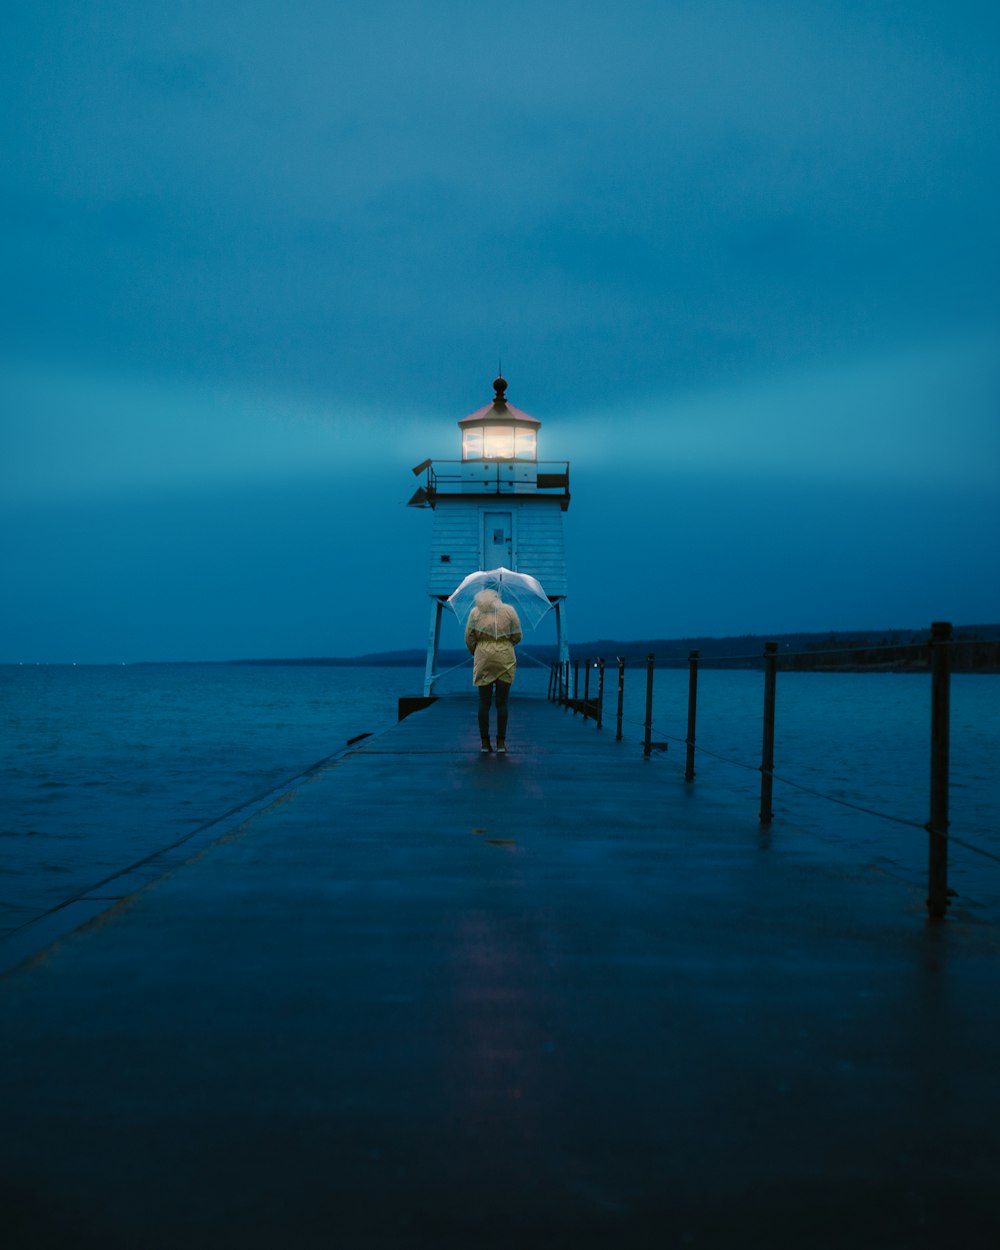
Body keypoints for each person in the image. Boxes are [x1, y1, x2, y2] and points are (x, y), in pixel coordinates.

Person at [464, 587, 522, 754]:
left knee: (484, 702)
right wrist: (505, 643)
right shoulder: (509, 610)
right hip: (505, 658)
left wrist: (477, 651)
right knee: (502, 703)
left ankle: (484, 743)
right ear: (498, 595)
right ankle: (501, 744)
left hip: (483, 657)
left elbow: (469, 637)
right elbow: (518, 635)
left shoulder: (475, 612)